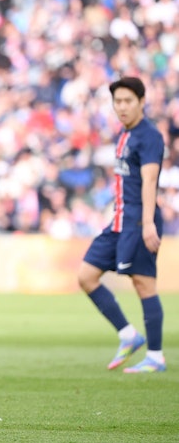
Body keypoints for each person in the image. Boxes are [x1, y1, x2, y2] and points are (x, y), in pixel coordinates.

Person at [77, 76, 166, 373]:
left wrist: (148, 223)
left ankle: (156, 356)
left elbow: (150, 180)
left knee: (143, 284)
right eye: (118, 101)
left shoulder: (149, 136)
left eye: (128, 101)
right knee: (86, 276)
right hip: (118, 221)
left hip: (139, 221)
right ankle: (129, 335)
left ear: (142, 102)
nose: (123, 107)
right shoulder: (124, 133)